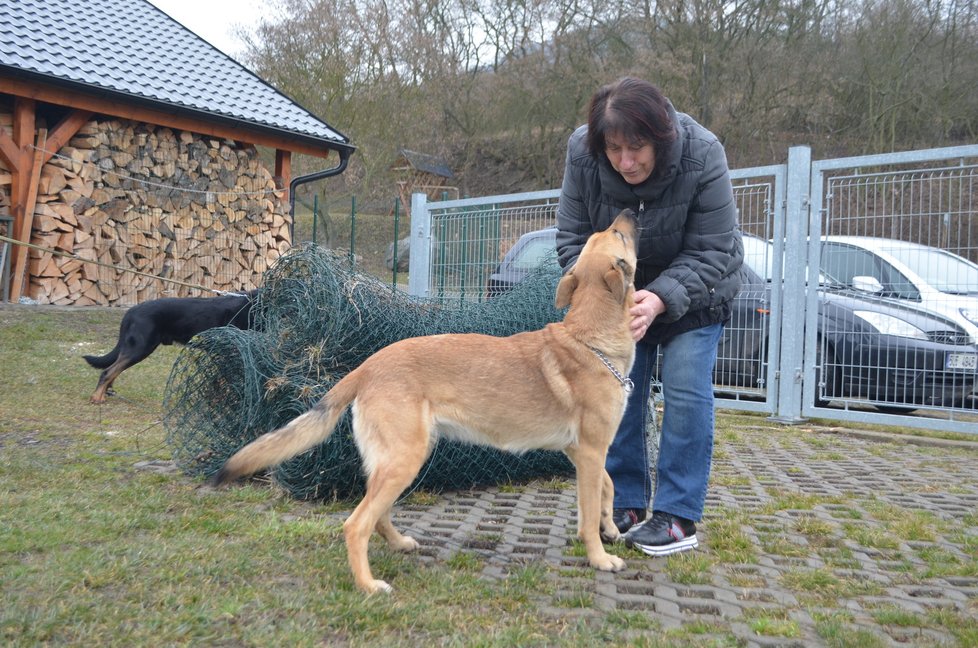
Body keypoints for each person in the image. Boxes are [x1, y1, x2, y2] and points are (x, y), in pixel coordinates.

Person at [556, 77, 743, 556]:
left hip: (698, 288)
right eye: (614, 149)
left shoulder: (703, 154)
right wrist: (610, 303)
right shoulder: (583, 152)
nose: (625, 161)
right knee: (616, 395)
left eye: (636, 148)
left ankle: (678, 515)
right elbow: (574, 243)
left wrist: (659, 297)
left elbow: (713, 248)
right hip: (620, 299)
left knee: (684, 389)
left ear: (661, 137)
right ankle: (624, 504)